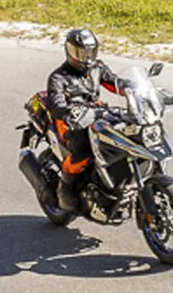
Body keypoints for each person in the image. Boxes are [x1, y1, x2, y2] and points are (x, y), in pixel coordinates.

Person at [46, 28, 121, 212]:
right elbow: (56, 106)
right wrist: (69, 111)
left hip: (95, 114)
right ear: (70, 52)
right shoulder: (58, 78)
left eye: (90, 52)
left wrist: (136, 89)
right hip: (70, 121)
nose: (87, 58)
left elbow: (116, 84)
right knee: (83, 150)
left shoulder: (97, 68)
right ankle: (65, 188)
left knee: (120, 133)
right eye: (81, 53)